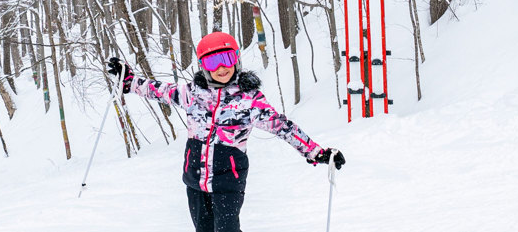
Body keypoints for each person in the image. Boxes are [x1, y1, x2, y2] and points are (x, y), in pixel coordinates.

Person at [105, 32, 345, 232]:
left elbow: (283, 127)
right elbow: (158, 90)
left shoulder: (249, 100)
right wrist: (129, 81)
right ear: (203, 66)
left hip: (228, 181)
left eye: (226, 59)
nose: (221, 68)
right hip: (195, 180)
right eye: (212, 62)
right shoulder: (192, 93)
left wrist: (317, 152)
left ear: (236, 60)